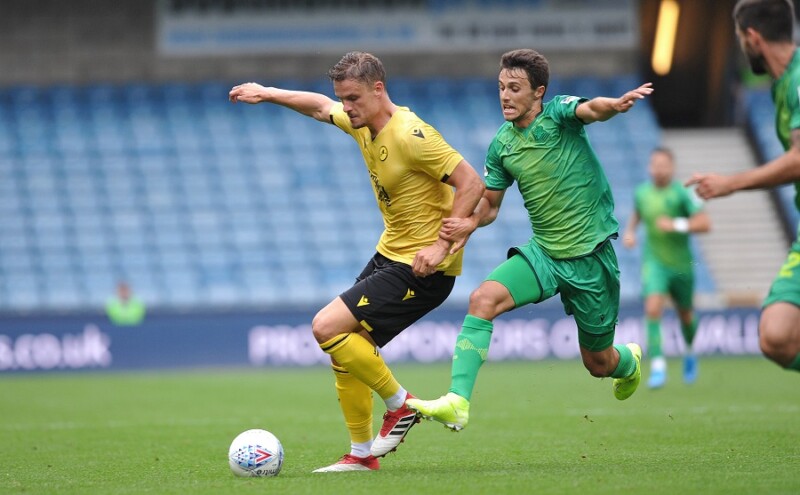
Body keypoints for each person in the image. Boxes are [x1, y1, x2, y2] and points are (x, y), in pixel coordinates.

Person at [228, 52, 484, 472]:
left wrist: (441, 246)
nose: (346, 107)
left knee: (325, 327)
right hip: (391, 253)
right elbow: (319, 107)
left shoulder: (411, 134)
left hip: (423, 268)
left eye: (353, 98)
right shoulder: (362, 123)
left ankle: (400, 405)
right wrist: (268, 92)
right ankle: (361, 455)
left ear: (378, 89)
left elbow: (471, 181)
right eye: (343, 98)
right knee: (344, 350)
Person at [406, 49, 653, 431]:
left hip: (590, 258)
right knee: (482, 299)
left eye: (515, 88)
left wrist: (615, 106)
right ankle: (457, 401)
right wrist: (469, 224)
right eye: (501, 87)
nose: (505, 96)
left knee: (598, 363)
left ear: (538, 92)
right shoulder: (501, 145)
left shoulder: (558, 114)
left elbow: (591, 109)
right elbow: (490, 206)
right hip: (544, 254)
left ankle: (629, 361)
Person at [687, 0, 800, 373]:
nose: (741, 46)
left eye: (739, 38)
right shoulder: (784, 84)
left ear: (753, 37)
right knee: (776, 336)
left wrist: (731, 183)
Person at [622, 147, 711, 389]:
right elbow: (637, 215)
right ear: (649, 167)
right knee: (652, 309)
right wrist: (630, 233)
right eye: (655, 165)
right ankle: (658, 366)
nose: (659, 170)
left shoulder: (683, 193)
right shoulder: (642, 193)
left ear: (672, 167)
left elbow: (704, 223)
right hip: (654, 263)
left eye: (663, 165)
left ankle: (690, 351)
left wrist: (675, 224)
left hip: (681, 265)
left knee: (686, 315)